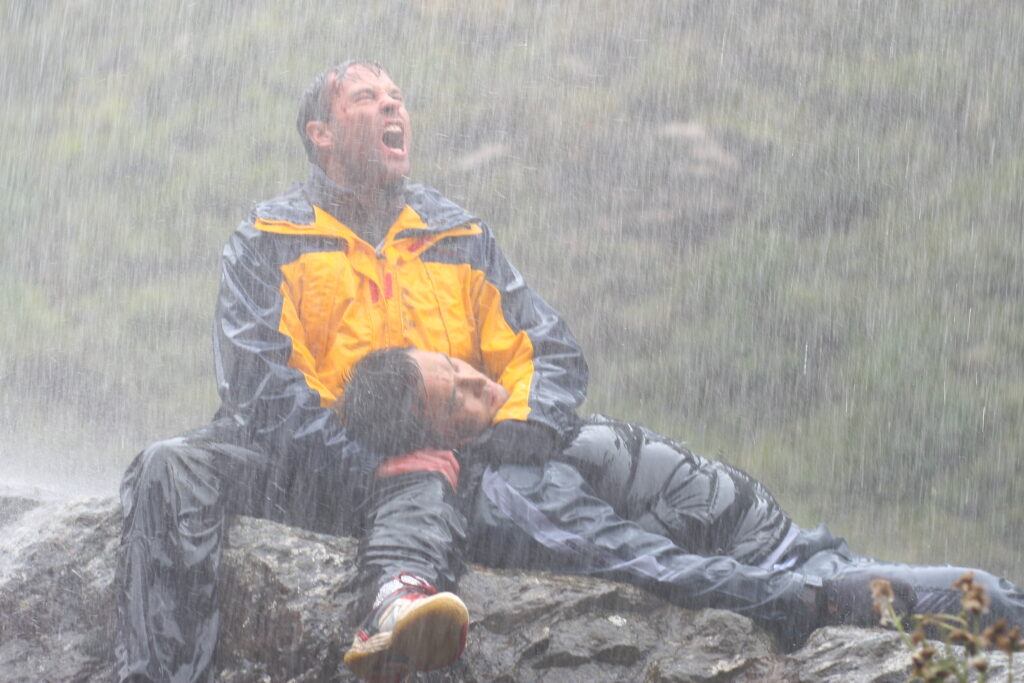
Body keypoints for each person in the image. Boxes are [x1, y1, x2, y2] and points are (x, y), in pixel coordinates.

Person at [115, 60, 587, 683]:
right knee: (168, 466)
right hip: (305, 472)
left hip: (440, 468)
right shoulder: (267, 239)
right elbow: (259, 388)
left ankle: (402, 606)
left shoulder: (460, 236)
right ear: (322, 134)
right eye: (368, 98)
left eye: (398, 97)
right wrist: (362, 463)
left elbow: (547, 355)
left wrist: (504, 438)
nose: (394, 108)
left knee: (432, 474)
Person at [340, 346, 1024, 657]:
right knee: (982, 597)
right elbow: (643, 561)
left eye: (457, 365)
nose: (476, 381)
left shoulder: (524, 434)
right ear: (430, 433)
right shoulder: (515, 487)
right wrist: (801, 599)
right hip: (793, 577)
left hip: (800, 551)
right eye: (453, 393)